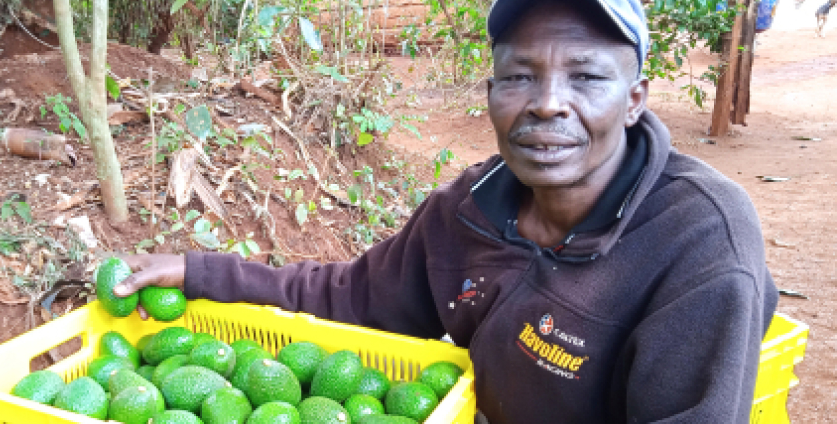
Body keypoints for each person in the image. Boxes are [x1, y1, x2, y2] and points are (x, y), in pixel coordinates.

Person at [114, 0, 779, 422]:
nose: (546, 103)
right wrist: (198, 272)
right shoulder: (469, 209)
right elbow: (351, 296)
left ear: (634, 98)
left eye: (585, 77)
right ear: (490, 93)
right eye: (519, 76)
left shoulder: (697, 241)